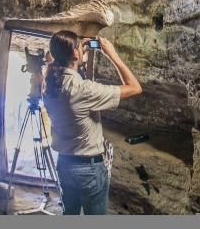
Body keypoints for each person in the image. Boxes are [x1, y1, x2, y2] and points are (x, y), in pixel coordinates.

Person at [43, 30, 142, 215]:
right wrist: (112, 54)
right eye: (79, 47)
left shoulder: (49, 84)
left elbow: (70, 80)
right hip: (88, 169)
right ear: (74, 53)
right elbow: (135, 87)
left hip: (65, 164)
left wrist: (80, 56)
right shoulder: (83, 90)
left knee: (69, 214)